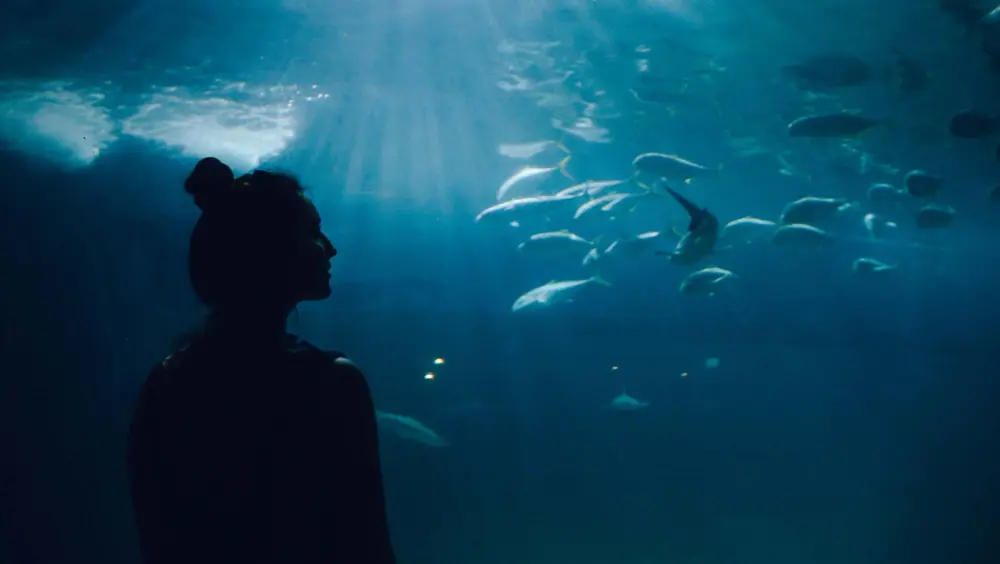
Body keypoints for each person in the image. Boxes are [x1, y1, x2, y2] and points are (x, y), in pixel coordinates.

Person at [126, 157, 396, 564]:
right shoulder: (331, 383)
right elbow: (365, 538)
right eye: (313, 231)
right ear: (270, 248)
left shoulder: (167, 379)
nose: (331, 248)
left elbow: (159, 533)